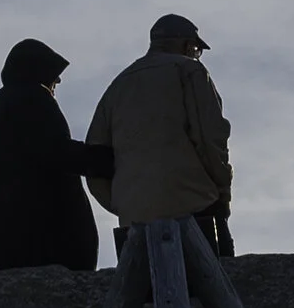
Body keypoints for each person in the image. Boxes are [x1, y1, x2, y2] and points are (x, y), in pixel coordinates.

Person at [0, 39, 113, 278]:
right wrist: (108, 160)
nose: (57, 81)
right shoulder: (31, 99)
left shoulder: (2, 103)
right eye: (52, 74)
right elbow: (56, 152)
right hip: (26, 247)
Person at [84, 16, 233, 255]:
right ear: (185, 45)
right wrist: (222, 192)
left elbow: (95, 159)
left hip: (135, 219)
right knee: (218, 284)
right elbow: (210, 138)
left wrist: (121, 204)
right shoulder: (190, 71)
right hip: (195, 208)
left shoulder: (117, 85)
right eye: (195, 49)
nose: (195, 54)